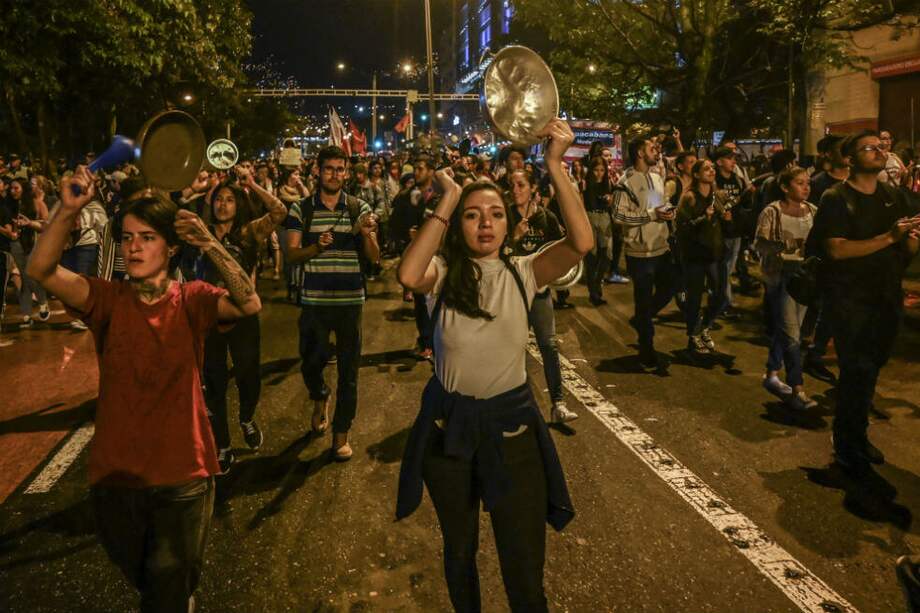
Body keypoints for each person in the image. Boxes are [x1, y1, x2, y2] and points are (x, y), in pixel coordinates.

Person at [27, 168, 261, 613]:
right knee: (149, 583)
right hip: (116, 476)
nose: (134, 246)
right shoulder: (106, 299)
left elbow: (249, 303)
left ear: (171, 248)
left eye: (147, 237)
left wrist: (209, 242)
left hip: (183, 474)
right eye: (129, 237)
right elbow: (40, 269)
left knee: (164, 595)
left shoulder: (193, 297)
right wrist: (68, 209)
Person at [395, 118, 590, 612]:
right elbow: (408, 272)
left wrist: (554, 164)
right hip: (450, 427)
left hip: (512, 429)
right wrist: (448, 196)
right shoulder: (442, 273)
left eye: (496, 214)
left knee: (522, 564)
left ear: (509, 223)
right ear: (458, 224)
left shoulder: (524, 272)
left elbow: (580, 244)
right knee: (460, 553)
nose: (485, 223)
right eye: (473, 215)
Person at [809, 130, 920, 472]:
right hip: (850, 299)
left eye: (881, 146)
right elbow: (836, 248)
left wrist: (911, 239)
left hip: (886, 294)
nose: (878, 150)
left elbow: (906, 248)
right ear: (850, 158)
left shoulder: (893, 195)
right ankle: (847, 442)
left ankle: (857, 434)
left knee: (871, 368)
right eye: (868, 147)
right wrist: (890, 236)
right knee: (856, 369)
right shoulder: (836, 197)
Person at [285, 145, 379, 461]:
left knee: (350, 372)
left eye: (340, 169)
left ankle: (341, 435)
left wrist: (367, 234)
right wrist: (316, 247)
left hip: (350, 301)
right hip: (314, 301)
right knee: (312, 362)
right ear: (317, 171)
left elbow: (375, 257)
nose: (335, 175)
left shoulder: (358, 207)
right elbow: (291, 254)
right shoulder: (301, 209)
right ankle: (320, 394)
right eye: (329, 169)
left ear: (347, 173)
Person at [198, 169, 287, 473]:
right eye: (218, 199)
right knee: (213, 383)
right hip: (209, 316)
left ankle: (247, 418)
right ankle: (222, 445)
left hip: (243, 316)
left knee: (249, 376)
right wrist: (200, 190)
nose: (223, 205)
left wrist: (251, 184)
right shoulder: (201, 233)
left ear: (238, 205)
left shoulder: (248, 233)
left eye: (229, 200)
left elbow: (279, 210)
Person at [507, 168, 577, 423]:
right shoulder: (504, 215)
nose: (515, 190)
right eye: (512, 185)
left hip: (539, 293)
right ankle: (515, 406)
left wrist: (553, 278)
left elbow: (562, 250)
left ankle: (558, 404)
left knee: (548, 344)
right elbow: (497, 255)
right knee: (513, 349)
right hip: (512, 294)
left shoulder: (546, 218)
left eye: (521, 185)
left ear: (533, 188)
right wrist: (514, 238)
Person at [754, 166, 819, 409]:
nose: (806, 187)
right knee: (792, 335)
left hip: (805, 279)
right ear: (785, 187)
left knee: (791, 330)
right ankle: (797, 389)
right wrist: (783, 245)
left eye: (808, 183)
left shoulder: (813, 211)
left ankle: (771, 374)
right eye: (800, 183)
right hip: (779, 278)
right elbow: (759, 244)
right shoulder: (772, 211)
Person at [613, 136, 675, 370]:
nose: (656, 151)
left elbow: (657, 206)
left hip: (661, 247)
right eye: (651, 148)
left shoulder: (657, 178)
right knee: (643, 300)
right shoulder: (626, 181)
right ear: (640, 153)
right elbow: (618, 216)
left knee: (671, 286)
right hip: (639, 254)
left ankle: (642, 320)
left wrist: (668, 213)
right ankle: (646, 350)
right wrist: (651, 216)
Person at [675, 159, 732, 356]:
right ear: (697, 174)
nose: (712, 170)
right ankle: (693, 335)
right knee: (695, 297)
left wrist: (727, 219)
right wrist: (704, 218)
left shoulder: (718, 196)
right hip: (695, 255)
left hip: (715, 253)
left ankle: (705, 327)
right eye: (707, 168)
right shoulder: (689, 197)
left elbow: (726, 225)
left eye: (713, 168)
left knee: (720, 295)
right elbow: (681, 227)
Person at [7, 178, 50, 327]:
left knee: (30, 275)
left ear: (23, 189)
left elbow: (47, 225)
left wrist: (30, 223)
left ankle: (43, 302)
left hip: (34, 243)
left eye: (16, 188)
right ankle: (26, 315)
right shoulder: (11, 204)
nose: (12, 191)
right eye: (11, 188)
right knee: (23, 278)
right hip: (16, 243)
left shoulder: (37, 203)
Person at [581, 156, 615, 305]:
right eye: (596, 170)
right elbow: (581, 205)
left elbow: (612, 203)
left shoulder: (609, 183)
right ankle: (594, 293)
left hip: (605, 218)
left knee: (607, 255)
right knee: (592, 257)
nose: (599, 173)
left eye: (602, 170)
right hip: (590, 217)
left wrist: (609, 199)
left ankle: (596, 284)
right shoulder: (584, 184)